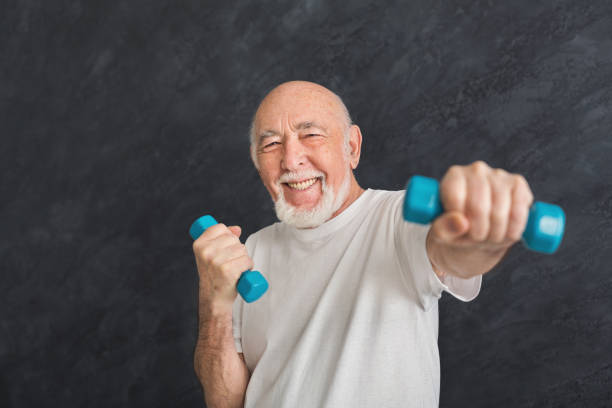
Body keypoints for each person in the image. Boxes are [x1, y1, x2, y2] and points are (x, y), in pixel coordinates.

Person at [192, 80, 534, 407]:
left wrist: (483, 233)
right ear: (257, 161)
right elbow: (225, 402)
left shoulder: (399, 219)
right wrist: (215, 302)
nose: (291, 159)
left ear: (351, 147)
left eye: (311, 135)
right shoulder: (252, 250)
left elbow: (457, 253)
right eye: (271, 144)